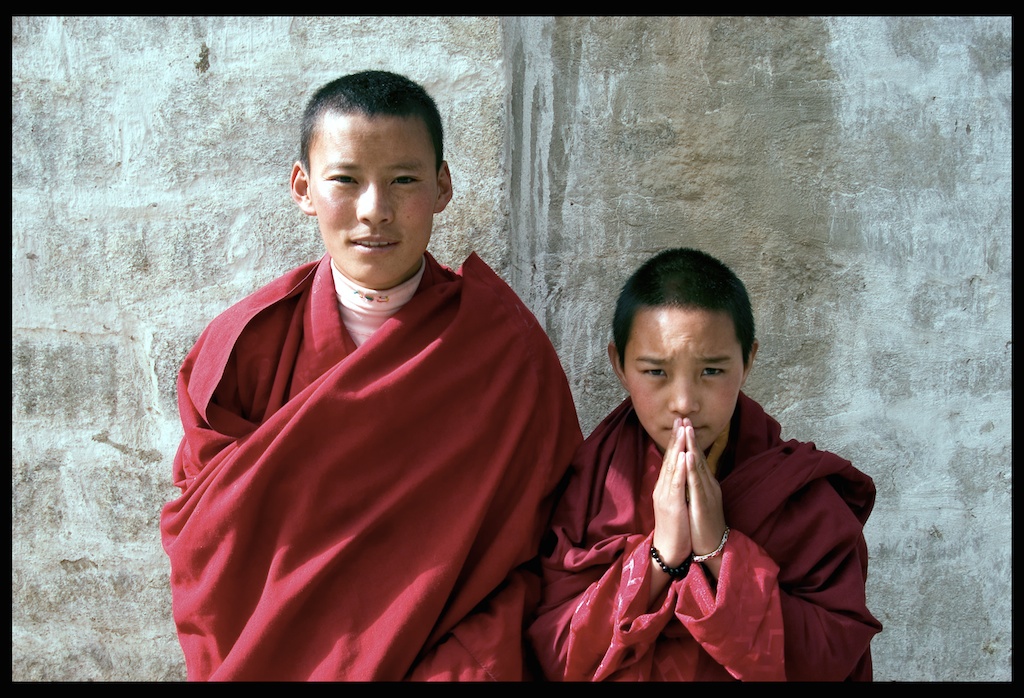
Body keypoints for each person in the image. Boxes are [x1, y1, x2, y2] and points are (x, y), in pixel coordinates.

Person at [159, 70, 583, 681]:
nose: (374, 211)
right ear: (304, 188)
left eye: (404, 180)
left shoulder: (501, 348)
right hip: (280, 652)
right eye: (345, 180)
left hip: (451, 648)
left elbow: (546, 531)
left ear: (442, 186)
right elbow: (209, 545)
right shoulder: (246, 346)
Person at [527, 247, 882, 681]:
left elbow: (833, 652)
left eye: (711, 371)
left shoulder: (797, 492)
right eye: (656, 372)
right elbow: (556, 651)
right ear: (619, 364)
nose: (684, 403)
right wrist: (659, 560)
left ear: (748, 361)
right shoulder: (588, 485)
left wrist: (720, 550)